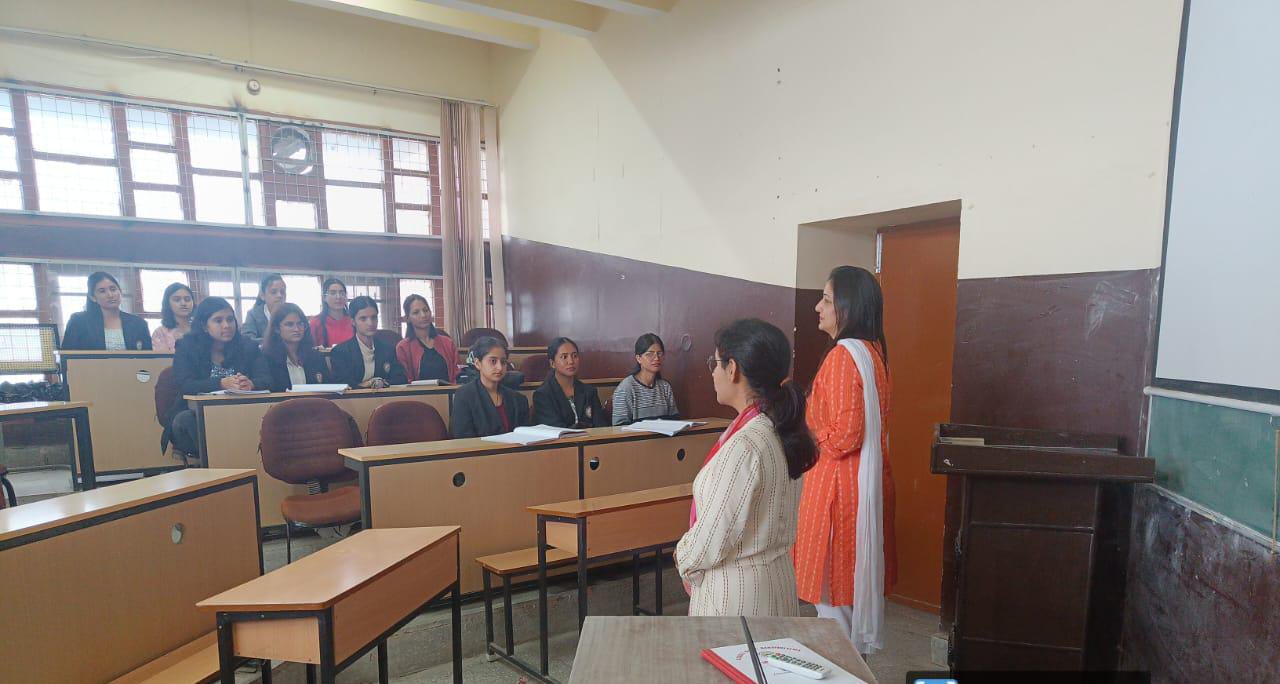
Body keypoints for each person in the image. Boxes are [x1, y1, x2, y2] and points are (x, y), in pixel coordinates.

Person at [676, 318, 816, 616]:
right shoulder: (779, 430)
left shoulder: (746, 445)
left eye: (715, 364)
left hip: (737, 598)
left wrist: (683, 555)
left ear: (733, 369)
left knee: (737, 651)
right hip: (775, 582)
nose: (713, 373)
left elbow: (713, 538)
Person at [793, 265, 896, 655]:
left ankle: (844, 673)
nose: (817, 307)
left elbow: (845, 435)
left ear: (848, 308)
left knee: (835, 608)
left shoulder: (842, 357)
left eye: (826, 300)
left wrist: (807, 431)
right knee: (847, 601)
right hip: (861, 489)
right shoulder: (873, 354)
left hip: (839, 496)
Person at [163, 297, 270, 455]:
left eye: (230, 319)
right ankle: (220, 460)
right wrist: (221, 383)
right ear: (204, 326)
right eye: (218, 321)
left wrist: (251, 384)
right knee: (186, 419)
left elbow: (267, 379)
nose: (226, 325)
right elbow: (186, 385)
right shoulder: (187, 347)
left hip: (240, 412)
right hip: (197, 415)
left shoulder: (248, 347)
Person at [450, 336, 530, 438]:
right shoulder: (464, 396)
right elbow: (462, 438)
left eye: (503, 362)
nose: (499, 367)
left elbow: (525, 437)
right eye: (493, 361)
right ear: (478, 363)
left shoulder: (518, 400)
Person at [329, 296, 407, 389]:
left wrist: (382, 383)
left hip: (384, 396)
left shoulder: (388, 349)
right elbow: (341, 383)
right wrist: (365, 385)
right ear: (353, 321)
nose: (370, 323)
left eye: (374, 317)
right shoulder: (341, 352)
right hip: (354, 397)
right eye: (363, 319)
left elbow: (401, 378)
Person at [61, 272, 152, 351]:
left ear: (120, 292)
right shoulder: (79, 321)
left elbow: (148, 359)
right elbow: (67, 356)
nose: (110, 295)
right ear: (93, 297)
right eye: (102, 291)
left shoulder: (139, 324)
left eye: (113, 289)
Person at [532, 337, 607, 428]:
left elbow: (601, 427)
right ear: (552, 363)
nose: (571, 361)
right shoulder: (543, 395)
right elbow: (555, 430)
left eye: (574, 356)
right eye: (564, 357)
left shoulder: (589, 392)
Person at [611, 333, 679, 425]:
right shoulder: (626, 388)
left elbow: (675, 420)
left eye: (659, 353)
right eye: (650, 354)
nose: (656, 358)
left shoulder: (665, 387)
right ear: (638, 358)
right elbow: (619, 427)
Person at [262, 303, 331, 392]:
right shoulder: (268, 359)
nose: (297, 329)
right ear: (276, 329)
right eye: (289, 324)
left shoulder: (316, 356)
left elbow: (329, 388)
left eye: (300, 324)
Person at [395, 294, 458, 384]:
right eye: (416, 312)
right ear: (408, 318)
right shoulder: (403, 347)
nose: (423, 315)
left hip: (450, 391)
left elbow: (458, 373)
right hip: (417, 392)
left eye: (425, 310)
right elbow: (405, 380)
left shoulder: (447, 343)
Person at [241, 274, 286, 344]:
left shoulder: (291, 313)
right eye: (274, 292)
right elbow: (247, 340)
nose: (279, 295)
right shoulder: (253, 315)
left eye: (282, 292)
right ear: (262, 295)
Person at [150, 282, 194, 353]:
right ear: (167, 303)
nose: (183, 303)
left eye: (187, 299)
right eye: (177, 300)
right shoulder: (160, 333)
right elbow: (162, 358)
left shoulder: (201, 329)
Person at [310, 277, 354, 348]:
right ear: (324, 297)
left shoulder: (353, 321)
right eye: (333, 293)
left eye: (342, 293)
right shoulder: (315, 322)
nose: (338, 297)